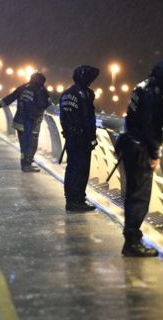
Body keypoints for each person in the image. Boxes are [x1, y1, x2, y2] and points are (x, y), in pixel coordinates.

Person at [118, 60, 163, 257]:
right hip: (140, 152)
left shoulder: (140, 88)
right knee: (139, 196)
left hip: (129, 145)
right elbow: (151, 129)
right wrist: (155, 154)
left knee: (132, 194)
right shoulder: (154, 98)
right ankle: (132, 242)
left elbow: (132, 118)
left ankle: (131, 239)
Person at [60, 65, 100, 212]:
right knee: (81, 169)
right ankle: (77, 201)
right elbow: (87, 118)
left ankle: (71, 199)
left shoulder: (66, 94)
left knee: (72, 169)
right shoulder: (84, 95)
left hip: (71, 137)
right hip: (81, 139)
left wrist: (68, 132)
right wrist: (91, 138)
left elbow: (64, 117)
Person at [0, 72, 50, 172]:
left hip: (19, 121)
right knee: (30, 143)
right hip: (31, 121)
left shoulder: (23, 87)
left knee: (23, 144)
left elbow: (10, 97)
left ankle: (24, 163)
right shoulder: (40, 90)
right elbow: (43, 104)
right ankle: (26, 165)